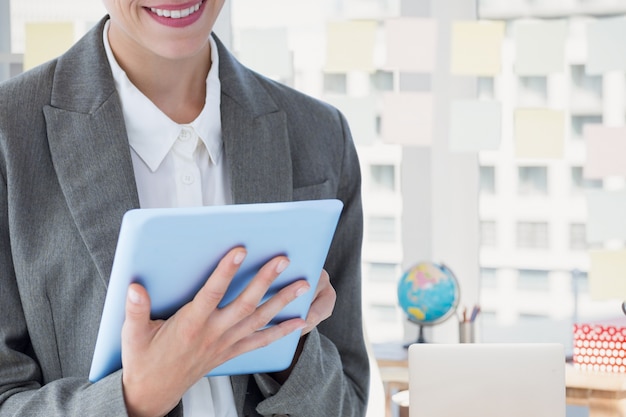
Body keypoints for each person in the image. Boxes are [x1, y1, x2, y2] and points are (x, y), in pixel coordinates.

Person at [0, 0, 369, 416]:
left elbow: (349, 403)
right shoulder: (10, 135)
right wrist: (136, 397)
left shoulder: (321, 134)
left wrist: (291, 340)